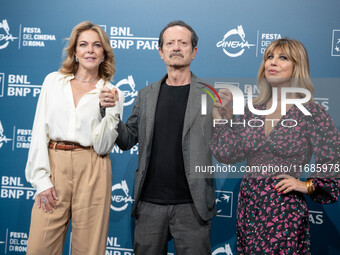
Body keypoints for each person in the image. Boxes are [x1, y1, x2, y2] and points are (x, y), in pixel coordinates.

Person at [211, 38, 339, 254]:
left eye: (282, 58)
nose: (273, 62)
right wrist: (221, 116)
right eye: (269, 57)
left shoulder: (311, 112)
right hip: (249, 207)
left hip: (283, 209)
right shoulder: (253, 110)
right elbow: (228, 153)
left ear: (297, 67)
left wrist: (306, 185)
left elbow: (333, 161)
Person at [100, 20, 216, 254]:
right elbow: (126, 139)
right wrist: (109, 112)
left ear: (193, 52)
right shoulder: (146, 95)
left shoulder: (210, 95)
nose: (176, 47)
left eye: (183, 43)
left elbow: (228, 147)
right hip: (150, 204)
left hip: (193, 206)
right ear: (160, 52)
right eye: (170, 43)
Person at [25, 21, 124, 255]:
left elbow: (103, 146)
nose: (90, 50)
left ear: (104, 54)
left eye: (96, 45)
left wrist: (106, 111)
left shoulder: (112, 92)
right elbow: (39, 130)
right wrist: (41, 180)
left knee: (89, 249)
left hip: (93, 167)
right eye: (83, 45)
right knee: (39, 247)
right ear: (75, 52)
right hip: (55, 164)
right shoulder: (53, 82)